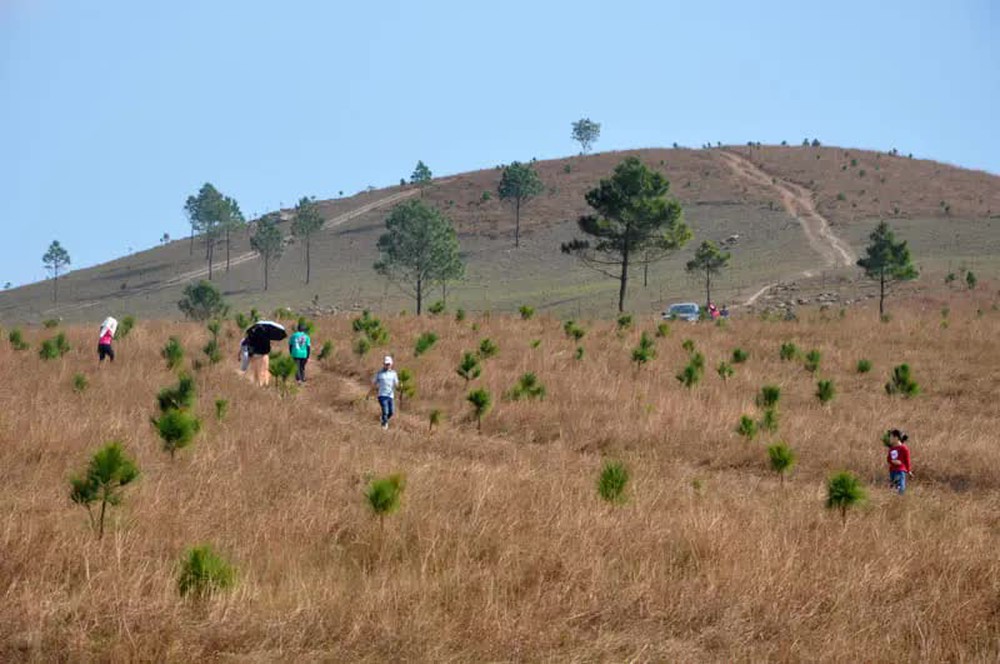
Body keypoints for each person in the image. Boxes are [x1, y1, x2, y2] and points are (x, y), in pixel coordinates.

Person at [370, 356, 400, 430]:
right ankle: (384, 425)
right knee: (385, 410)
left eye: (388, 364)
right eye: (386, 364)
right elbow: (374, 382)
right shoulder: (379, 373)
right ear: (383, 364)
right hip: (382, 395)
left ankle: (383, 418)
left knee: (391, 412)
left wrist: (399, 385)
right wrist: (372, 390)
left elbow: (396, 383)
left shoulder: (394, 373)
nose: (387, 365)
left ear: (391, 364)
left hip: (390, 396)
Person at [886, 428, 912, 494]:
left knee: (899, 487)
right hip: (892, 471)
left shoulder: (904, 448)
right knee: (893, 488)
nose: (890, 439)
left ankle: (901, 499)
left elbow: (907, 460)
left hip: (900, 471)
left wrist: (909, 471)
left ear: (896, 438)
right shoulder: (892, 448)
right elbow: (888, 459)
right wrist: (892, 461)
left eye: (891, 437)